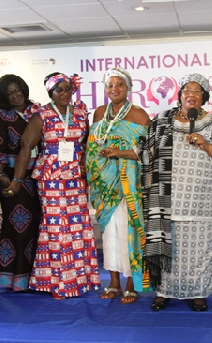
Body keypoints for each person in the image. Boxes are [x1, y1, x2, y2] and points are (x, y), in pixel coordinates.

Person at [142, 73, 212, 312]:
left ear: (204, 97)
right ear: (180, 95)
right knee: (168, 247)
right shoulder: (162, 120)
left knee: (201, 249)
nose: (191, 95)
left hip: (202, 201)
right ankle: (163, 291)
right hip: (167, 199)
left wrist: (206, 145)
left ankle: (198, 294)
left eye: (197, 91)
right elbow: (146, 153)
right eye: (187, 90)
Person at [8, 72, 100, 299]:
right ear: (51, 92)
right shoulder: (41, 114)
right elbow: (25, 147)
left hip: (76, 177)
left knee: (78, 228)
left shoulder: (80, 112)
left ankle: (80, 280)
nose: (65, 94)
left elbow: (88, 142)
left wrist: (87, 166)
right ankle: (57, 282)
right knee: (57, 228)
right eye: (60, 90)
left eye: (68, 89)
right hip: (51, 178)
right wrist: (17, 181)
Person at [86, 67, 150, 304]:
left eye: (119, 85)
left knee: (128, 233)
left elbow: (148, 152)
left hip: (128, 184)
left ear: (128, 87)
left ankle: (131, 284)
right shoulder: (99, 114)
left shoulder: (139, 115)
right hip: (103, 185)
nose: (115, 89)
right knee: (109, 235)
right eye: (110, 85)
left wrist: (118, 153)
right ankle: (113, 282)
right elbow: (91, 148)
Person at [0, 74, 41, 291]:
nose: (15, 95)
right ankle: (16, 279)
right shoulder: (1, 116)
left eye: (17, 89)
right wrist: (3, 179)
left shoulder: (37, 111)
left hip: (39, 178)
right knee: (18, 227)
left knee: (37, 227)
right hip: (12, 180)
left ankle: (36, 277)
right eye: (9, 92)